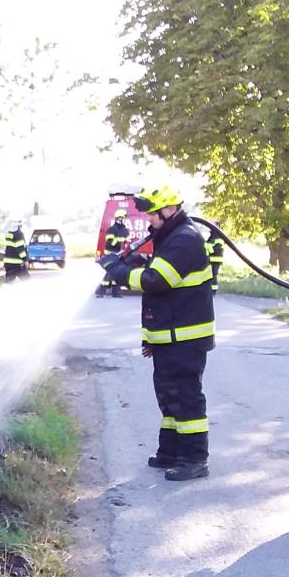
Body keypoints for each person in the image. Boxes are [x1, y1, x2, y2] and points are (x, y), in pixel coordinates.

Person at [100, 185, 215, 481]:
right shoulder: (172, 238)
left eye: (152, 213)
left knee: (185, 397)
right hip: (170, 336)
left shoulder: (185, 240)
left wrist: (119, 271)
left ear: (169, 210)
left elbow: (157, 280)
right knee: (169, 397)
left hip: (185, 338)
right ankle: (172, 451)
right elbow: (162, 280)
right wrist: (151, 337)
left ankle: (194, 459)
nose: (149, 219)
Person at [97, 212, 131, 297]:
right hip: (110, 254)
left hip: (119, 255)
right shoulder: (111, 229)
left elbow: (127, 242)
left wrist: (126, 242)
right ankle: (101, 291)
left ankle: (116, 292)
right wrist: (120, 240)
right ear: (119, 218)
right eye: (123, 218)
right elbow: (110, 243)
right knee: (110, 273)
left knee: (115, 272)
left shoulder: (125, 230)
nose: (124, 220)